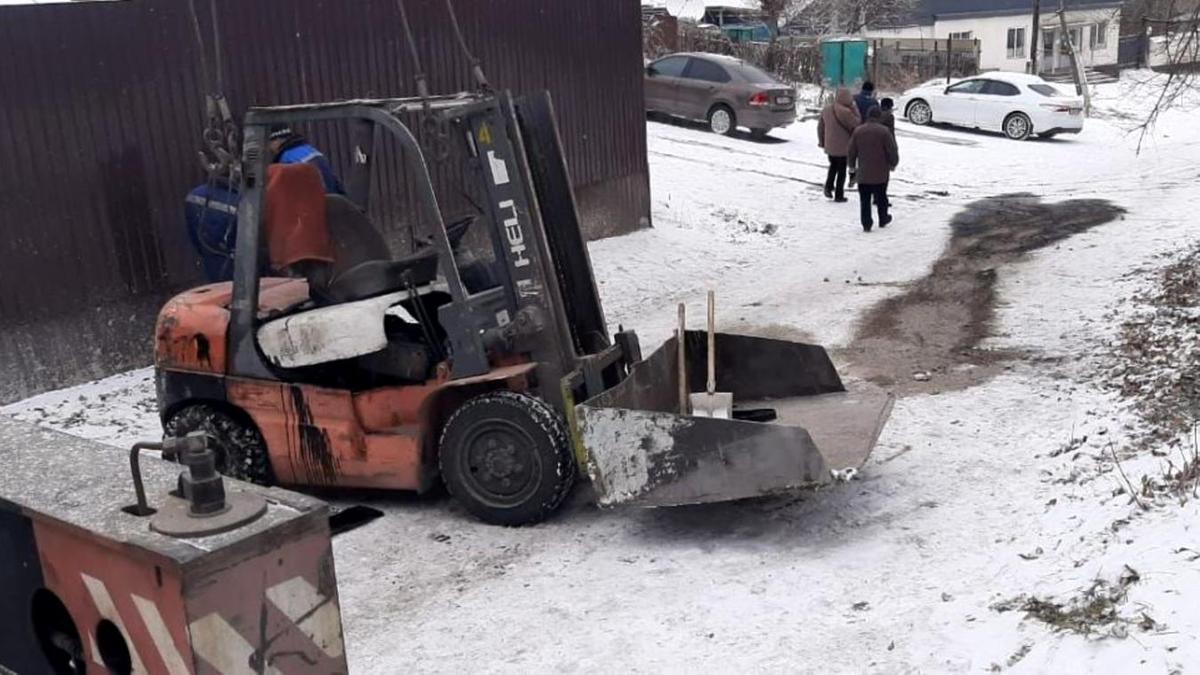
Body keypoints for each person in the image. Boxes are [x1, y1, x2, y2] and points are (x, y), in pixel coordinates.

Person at [847, 107, 899, 233]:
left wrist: (852, 167)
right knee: (881, 196)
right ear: (879, 116)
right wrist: (893, 163)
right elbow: (892, 150)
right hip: (881, 172)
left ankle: (866, 223)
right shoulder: (884, 131)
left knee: (864, 200)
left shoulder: (858, 131)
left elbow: (851, 151)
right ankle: (883, 218)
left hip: (863, 172)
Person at [269, 125, 346, 195]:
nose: (269, 148)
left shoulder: (286, 160)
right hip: (331, 198)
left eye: (269, 143)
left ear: (277, 140)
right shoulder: (309, 149)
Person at [817, 88, 861, 202]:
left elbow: (820, 127)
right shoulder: (847, 112)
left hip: (830, 146)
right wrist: (854, 107)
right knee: (841, 171)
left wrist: (822, 142)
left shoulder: (826, 109)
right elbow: (857, 123)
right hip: (843, 148)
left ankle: (828, 186)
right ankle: (839, 195)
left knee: (833, 166)